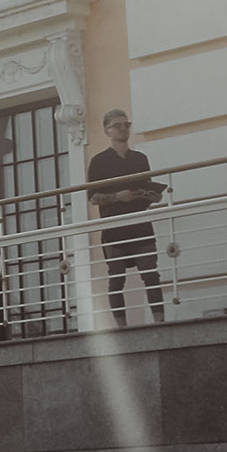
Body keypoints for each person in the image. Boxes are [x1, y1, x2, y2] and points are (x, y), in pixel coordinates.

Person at [86, 108, 167, 327]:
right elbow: (93, 198)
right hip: (114, 228)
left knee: (151, 275)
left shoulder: (140, 159)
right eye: (117, 125)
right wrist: (117, 197)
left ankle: (160, 321)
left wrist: (152, 195)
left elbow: (148, 188)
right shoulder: (98, 162)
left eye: (126, 124)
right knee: (116, 278)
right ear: (107, 131)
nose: (123, 129)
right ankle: (121, 328)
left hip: (140, 225)